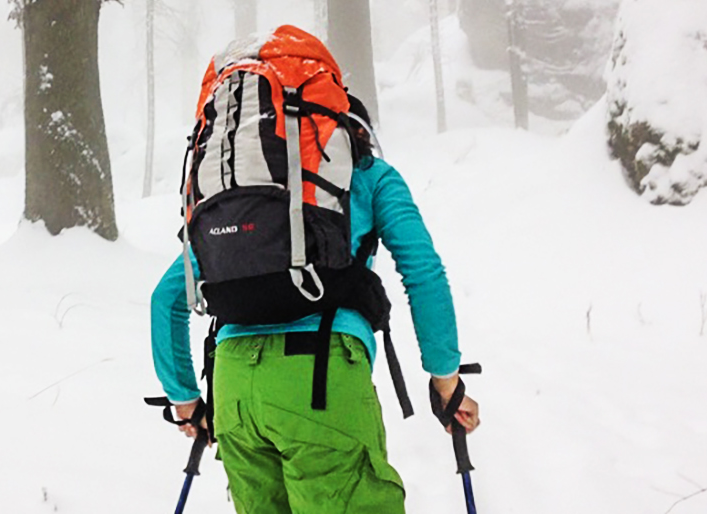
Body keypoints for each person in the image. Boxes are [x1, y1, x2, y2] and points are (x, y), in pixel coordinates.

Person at [150, 91, 480, 513]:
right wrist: (445, 380)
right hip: (320, 379)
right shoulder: (370, 176)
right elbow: (422, 270)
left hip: (234, 387)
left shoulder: (244, 202)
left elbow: (166, 300)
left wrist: (186, 400)